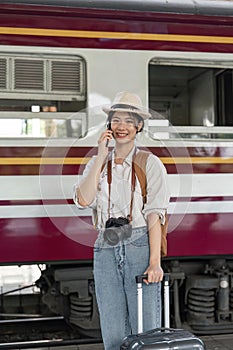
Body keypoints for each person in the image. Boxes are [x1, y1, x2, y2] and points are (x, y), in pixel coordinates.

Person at [73, 91, 170, 350]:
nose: (122, 127)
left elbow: (154, 215)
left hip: (139, 243)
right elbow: (83, 200)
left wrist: (154, 263)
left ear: (139, 126)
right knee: (112, 326)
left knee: (146, 325)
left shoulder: (151, 163)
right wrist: (100, 154)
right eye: (116, 120)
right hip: (105, 244)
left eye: (129, 121)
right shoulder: (96, 162)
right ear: (109, 126)